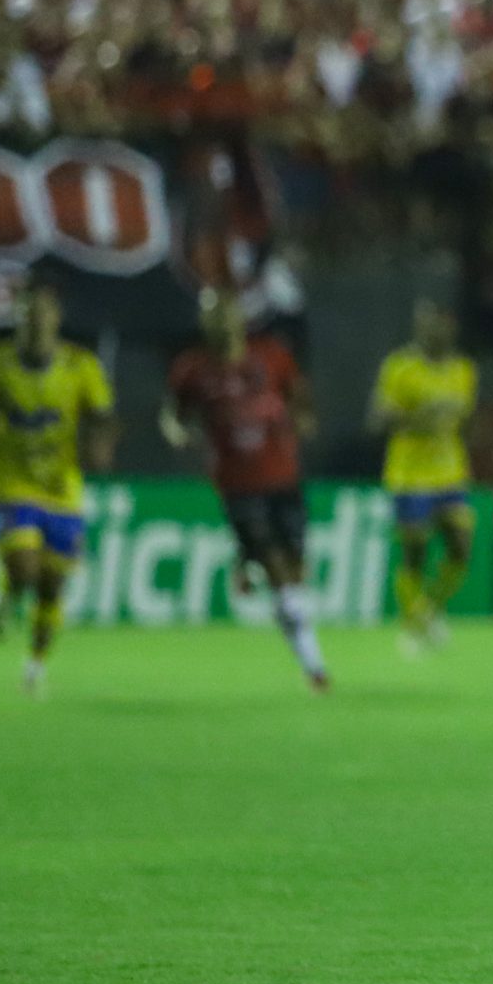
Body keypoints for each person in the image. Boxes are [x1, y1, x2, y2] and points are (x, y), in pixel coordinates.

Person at [0, 282, 118, 697]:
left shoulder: (81, 366)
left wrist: (102, 443)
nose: (36, 320)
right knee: (25, 567)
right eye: (27, 312)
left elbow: (103, 414)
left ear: (57, 317)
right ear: (17, 317)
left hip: (62, 486)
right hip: (9, 482)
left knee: (52, 586)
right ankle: (8, 591)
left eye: (44, 312)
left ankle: (34, 666)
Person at [163, 288, 329, 692]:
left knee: (295, 568)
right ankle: (314, 664)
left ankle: (246, 560)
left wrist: (304, 419)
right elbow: (172, 412)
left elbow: (299, 397)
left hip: (283, 477)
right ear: (204, 324)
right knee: (279, 573)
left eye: (225, 314)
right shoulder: (192, 369)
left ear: (238, 318)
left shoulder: (271, 355)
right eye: (211, 316)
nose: (219, 323)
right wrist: (177, 430)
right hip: (237, 485)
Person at [369, 300, 479, 653]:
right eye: (425, 324)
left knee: (461, 547)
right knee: (415, 552)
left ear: (450, 328)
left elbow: (466, 420)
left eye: (438, 324)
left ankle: (427, 612)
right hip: (409, 475)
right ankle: (414, 623)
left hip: (450, 473)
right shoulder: (400, 367)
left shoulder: (463, 370)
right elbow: (377, 420)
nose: (432, 331)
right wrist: (420, 417)